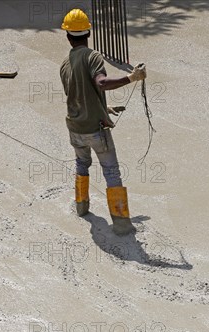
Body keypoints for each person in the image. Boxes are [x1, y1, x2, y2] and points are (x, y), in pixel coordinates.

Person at [60, 9, 147, 236]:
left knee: (81, 164)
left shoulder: (64, 64)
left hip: (74, 127)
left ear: (68, 36)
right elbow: (102, 83)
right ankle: (121, 224)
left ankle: (81, 206)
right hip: (95, 129)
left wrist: (102, 106)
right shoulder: (93, 56)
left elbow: (76, 95)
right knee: (111, 172)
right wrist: (131, 77)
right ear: (89, 33)